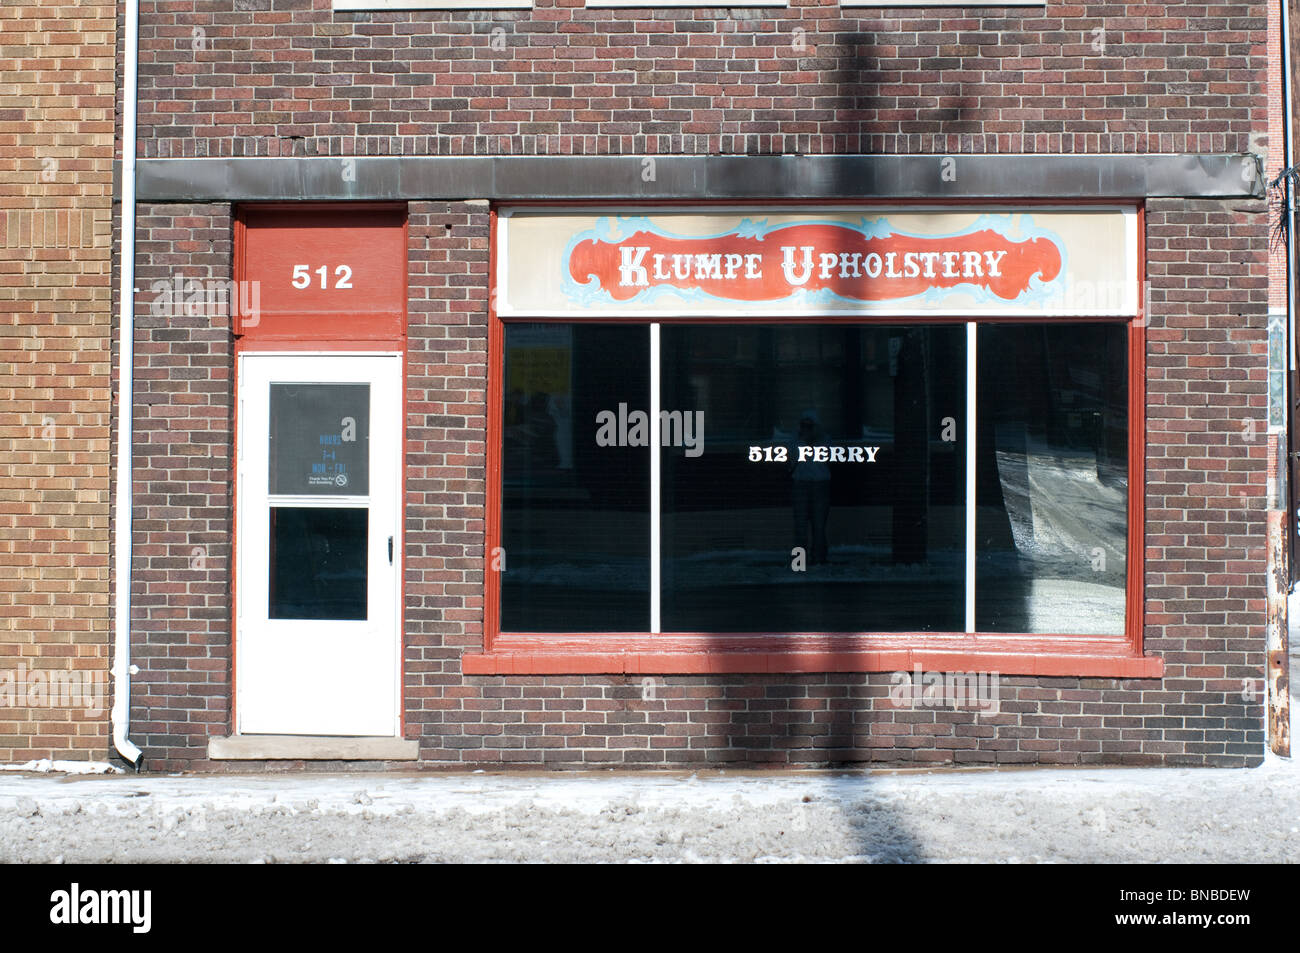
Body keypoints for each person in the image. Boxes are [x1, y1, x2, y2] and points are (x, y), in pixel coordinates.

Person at [789, 410, 831, 566]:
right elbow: (792, 457)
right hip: (803, 483)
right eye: (804, 426)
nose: (807, 429)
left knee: (818, 526)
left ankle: (818, 559)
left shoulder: (825, 439)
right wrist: (804, 440)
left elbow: (825, 457)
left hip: (819, 484)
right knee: (802, 526)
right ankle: (801, 562)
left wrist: (814, 439)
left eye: (810, 426)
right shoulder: (795, 440)